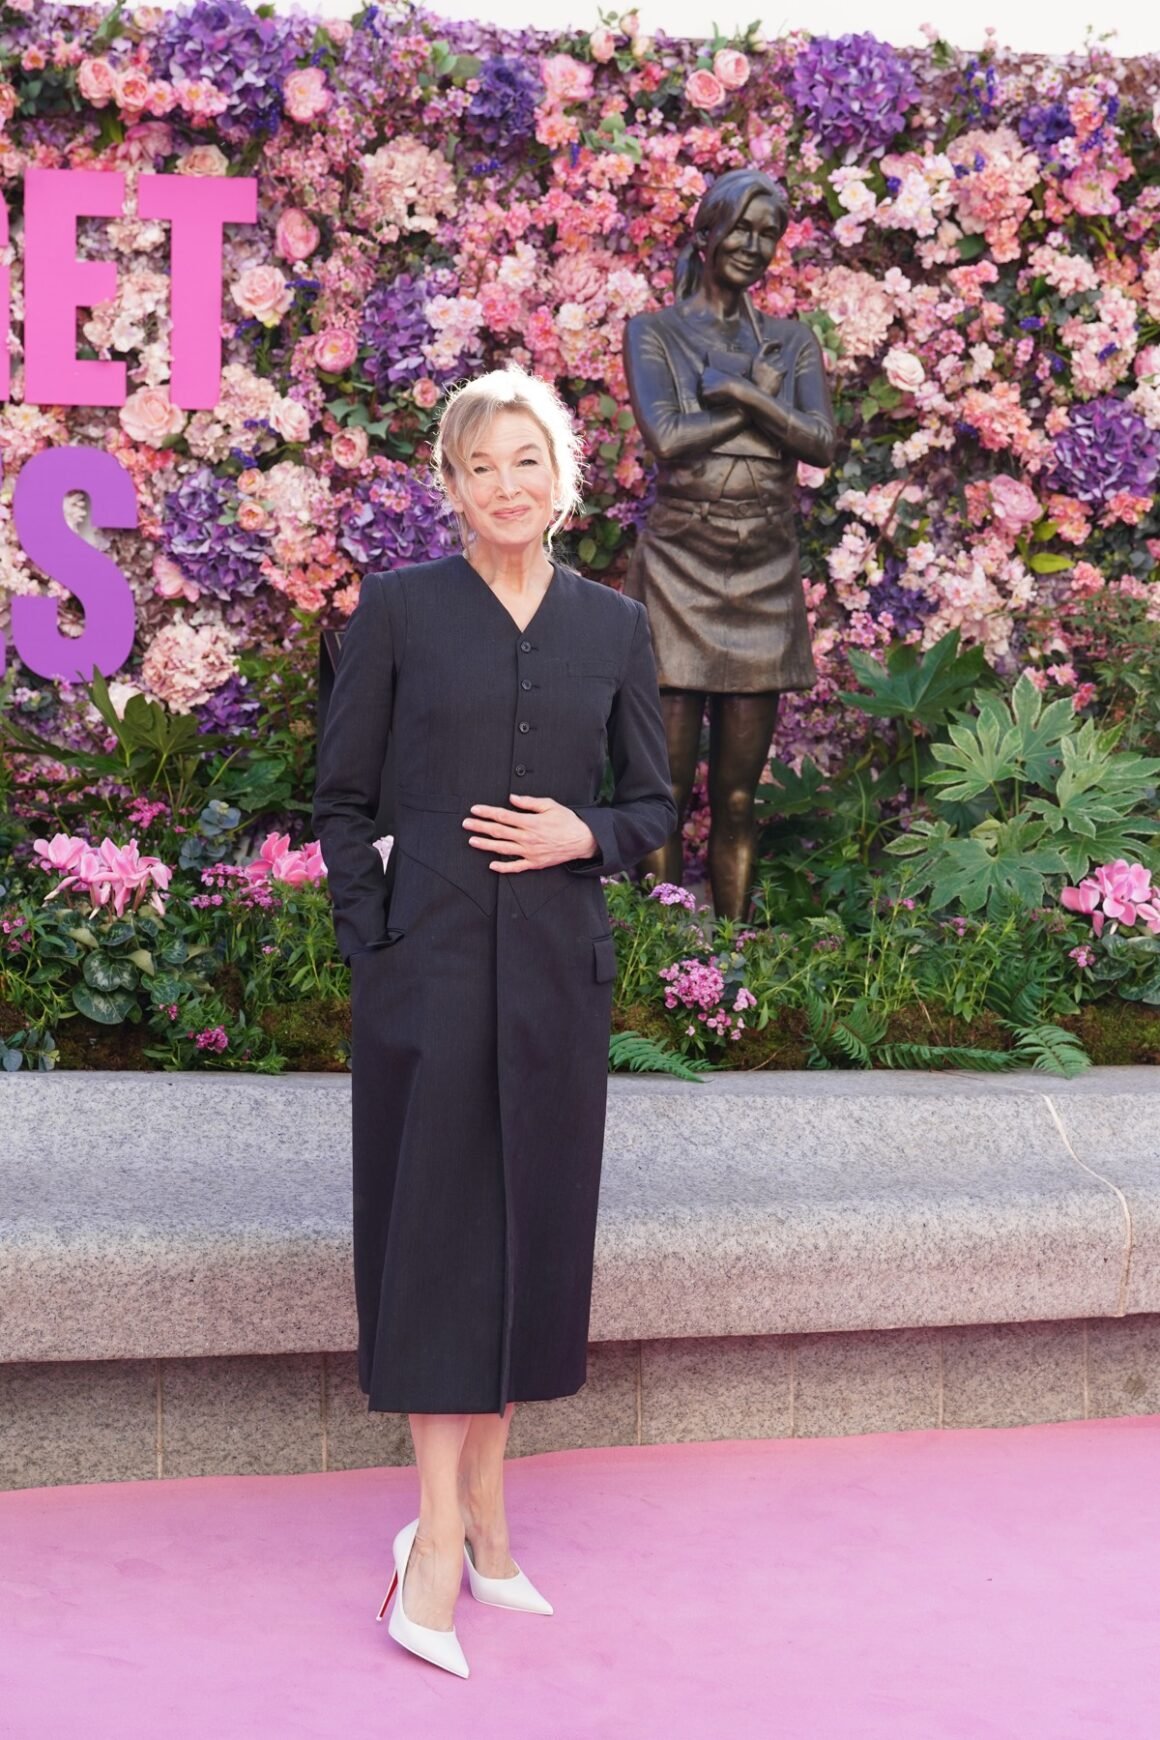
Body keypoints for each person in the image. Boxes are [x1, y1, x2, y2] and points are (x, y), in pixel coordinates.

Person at [311, 364, 677, 1678]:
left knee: (526, 1246)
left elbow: (655, 806)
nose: (505, 486)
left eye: (526, 460)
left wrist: (591, 830)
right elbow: (338, 798)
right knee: (443, 1251)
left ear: (560, 473)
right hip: (432, 980)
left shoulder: (613, 629)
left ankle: (491, 1525)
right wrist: (381, 947)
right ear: (450, 487)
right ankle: (436, 1554)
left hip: (557, 989)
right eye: (479, 466)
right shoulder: (402, 612)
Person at [621, 166, 837, 919]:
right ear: (705, 233)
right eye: (741, 228)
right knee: (665, 790)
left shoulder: (791, 342)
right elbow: (670, 439)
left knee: (740, 796)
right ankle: (662, 958)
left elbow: (822, 443)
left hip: (765, 574)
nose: (753, 245)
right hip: (680, 572)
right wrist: (768, 408)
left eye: (768, 234)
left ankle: (730, 962)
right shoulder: (654, 332)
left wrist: (742, 392)